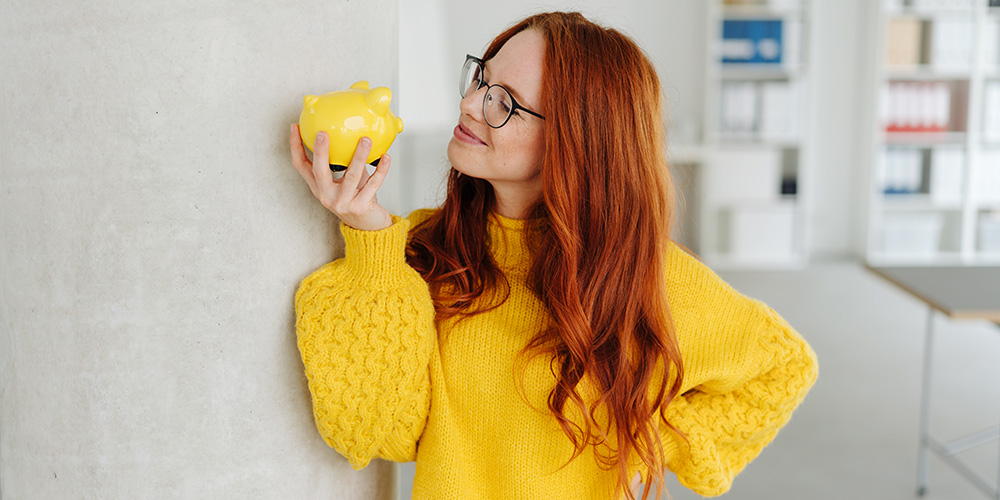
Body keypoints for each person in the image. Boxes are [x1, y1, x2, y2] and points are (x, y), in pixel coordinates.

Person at [288, 11, 817, 500]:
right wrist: (369, 238)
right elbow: (377, 431)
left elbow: (783, 369)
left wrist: (650, 435)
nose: (471, 105)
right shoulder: (424, 251)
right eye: (481, 78)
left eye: (506, 102)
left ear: (576, 139)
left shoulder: (646, 277)